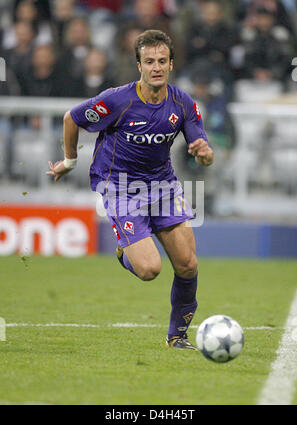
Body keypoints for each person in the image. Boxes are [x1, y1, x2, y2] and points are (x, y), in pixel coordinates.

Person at [46, 29, 213, 350]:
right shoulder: (117, 100)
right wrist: (68, 161)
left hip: (163, 185)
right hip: (120, 187)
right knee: (150, 270)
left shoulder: (183, 102)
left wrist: (206, 156)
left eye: (162, 61)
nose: (156, 67)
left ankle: (177, 336)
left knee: (188, 265)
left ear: (171, 64)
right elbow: (72, 118)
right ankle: (126, 251)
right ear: (138, 65)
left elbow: (202, 150)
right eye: (149, 61)